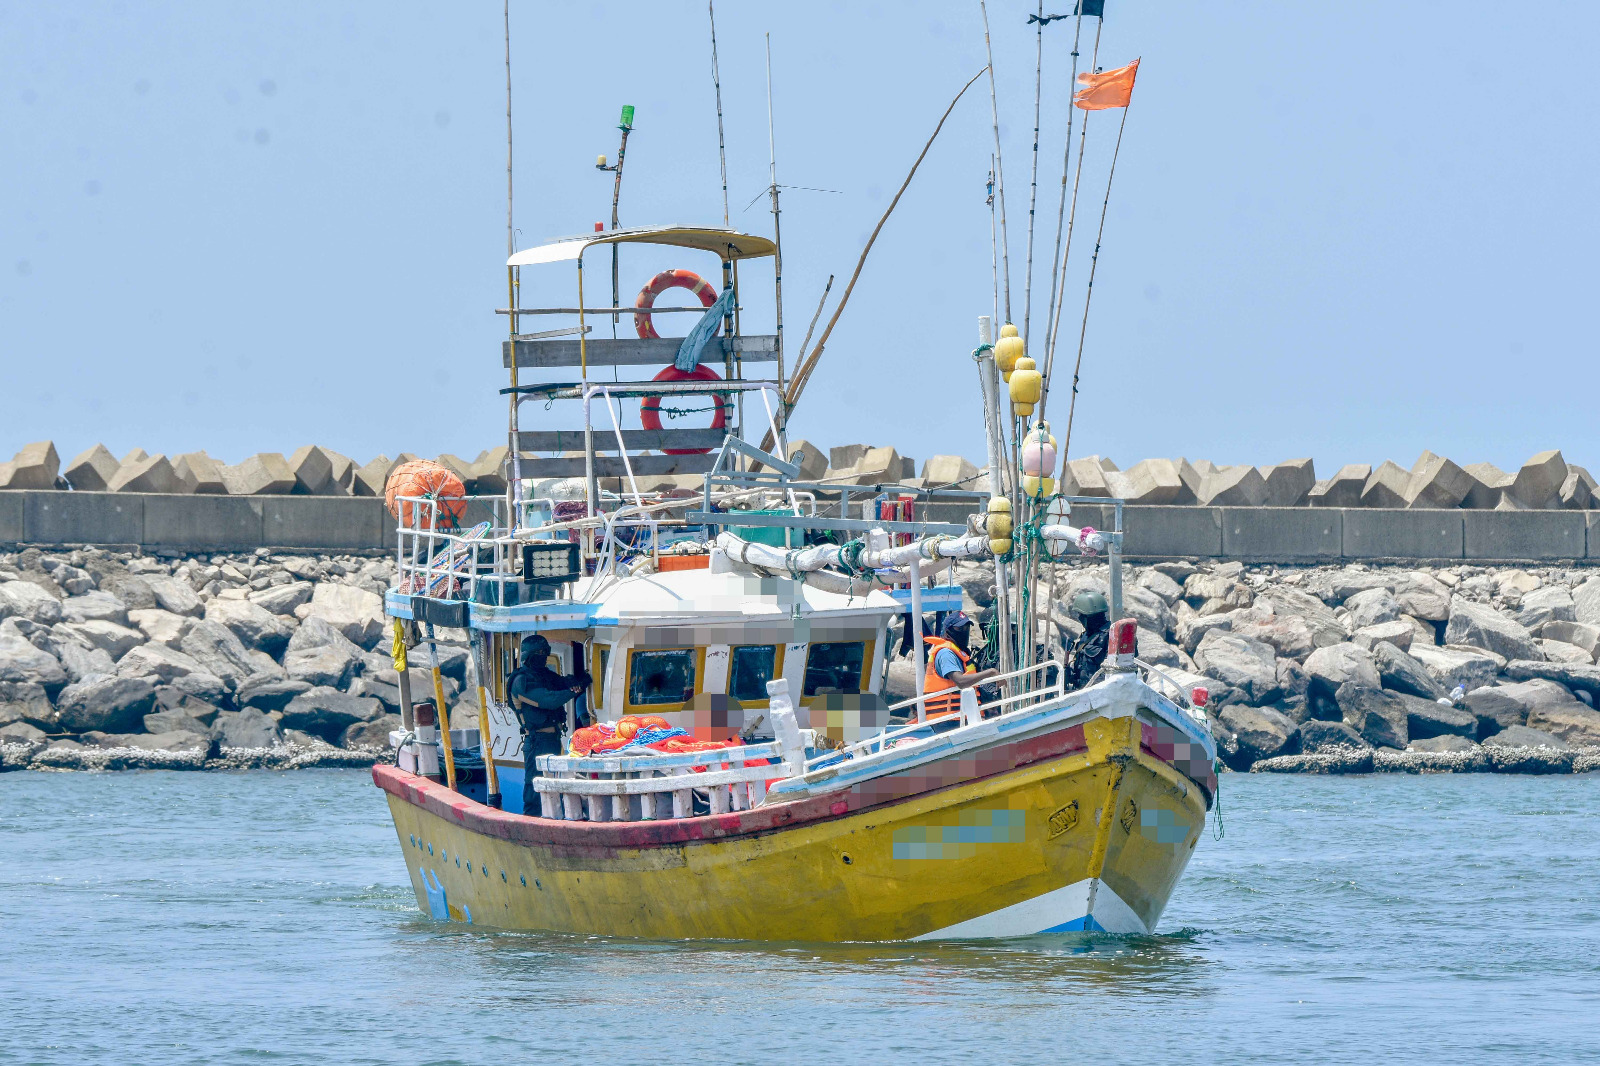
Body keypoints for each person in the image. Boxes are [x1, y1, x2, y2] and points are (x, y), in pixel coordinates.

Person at [506, 634, 590, 812]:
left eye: (546, 653)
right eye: (540, 653)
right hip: (536, 741)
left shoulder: (543, 675)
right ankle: (531, 826)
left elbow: (562, 682)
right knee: (535, 789)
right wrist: (572, 692)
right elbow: (547, 700)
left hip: (553, 738)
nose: (544, 657)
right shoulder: (520, 681)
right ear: (530, 655)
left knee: (554, 786)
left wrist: (580, 682)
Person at [921, 612, 999, 722]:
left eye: (967, 627)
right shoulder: (946, 653)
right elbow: (960, 681)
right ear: (948, 630)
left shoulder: (959, 653)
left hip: (963, 717)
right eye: (959, 628)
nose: (964, 631)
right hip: (949, 720)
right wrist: (991, 672)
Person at [1064, 590, 1111, 689]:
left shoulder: (1111, 635)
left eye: (1081, 615)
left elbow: (1113, 670)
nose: (1079, 618)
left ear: (1089, 616)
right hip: (1082, 691)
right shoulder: (1086, 636)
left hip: (1099, 692)